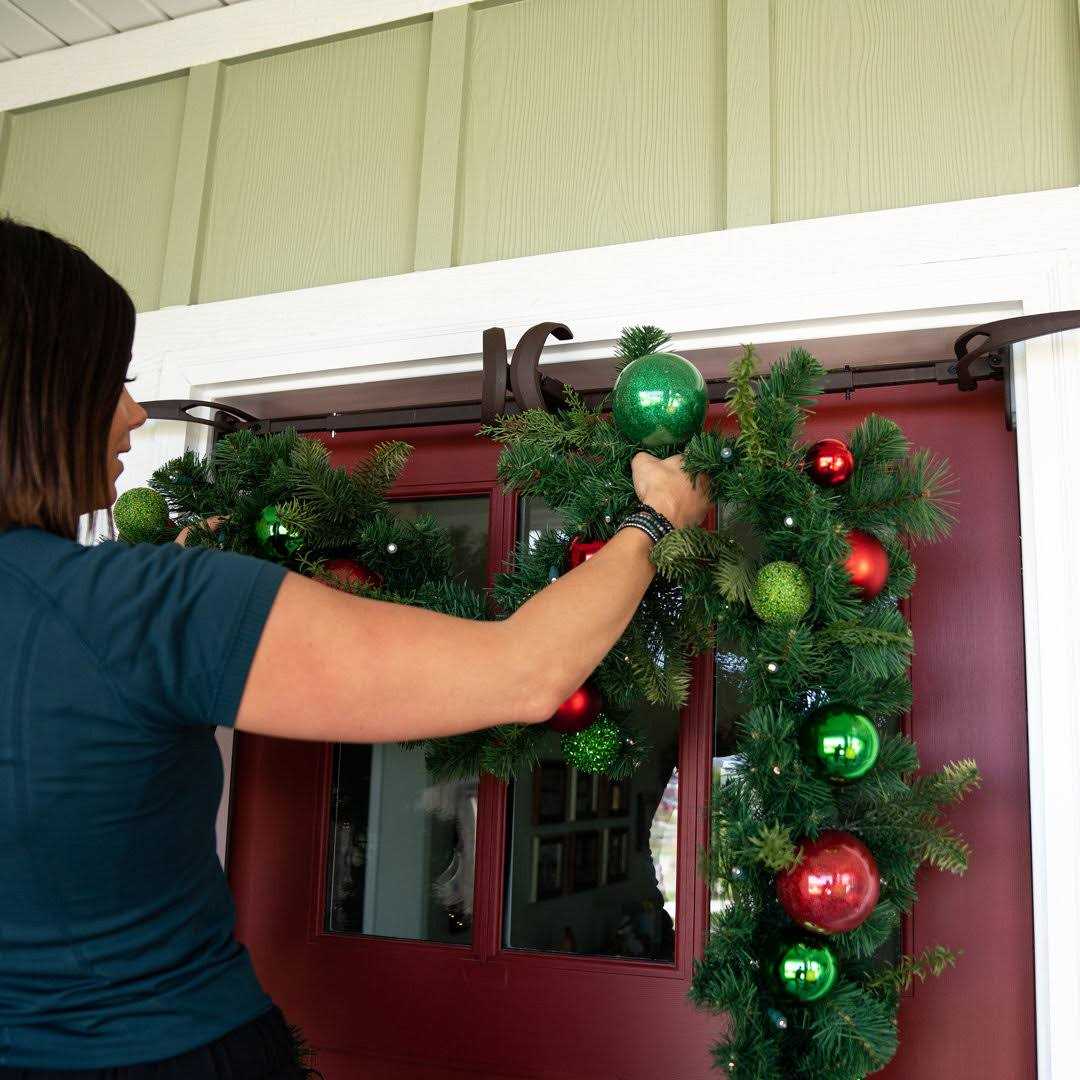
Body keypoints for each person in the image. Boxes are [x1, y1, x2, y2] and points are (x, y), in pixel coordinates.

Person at [0, 216, 710, 1077]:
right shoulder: (134, 608)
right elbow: (523, 672)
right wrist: (653, 522)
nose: (135, 413)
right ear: (34, 394)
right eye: (111, 381)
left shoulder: (119, 606)